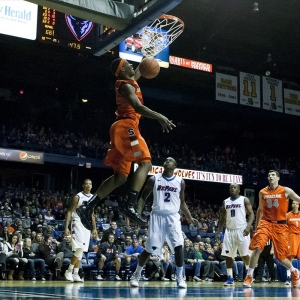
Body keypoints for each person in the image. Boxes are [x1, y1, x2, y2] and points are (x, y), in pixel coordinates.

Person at [76, 58, 176, 229]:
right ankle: (130, 204)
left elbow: (139, 72)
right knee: (146, 163)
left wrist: (146, 57)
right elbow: (138, 107)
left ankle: (89, 206)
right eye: (128, 64)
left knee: (121, 177)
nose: (132, 66)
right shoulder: (126, 86)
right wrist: (160, 116)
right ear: (122, 70)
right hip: (127, 128)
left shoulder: (130, 82)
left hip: (122, 128)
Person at [130, 157, 198, 289]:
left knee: (178, 246)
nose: (167, 161)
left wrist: (190, 217)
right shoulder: (153, 179)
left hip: (173, 217)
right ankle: (136, 274)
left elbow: (182, 203)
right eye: (166, 160)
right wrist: (137, 212)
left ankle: (180, 277)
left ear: (175, 166)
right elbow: (143, 197)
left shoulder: (180, 182)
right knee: (150, 248)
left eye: (170, 160)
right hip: (157, 216)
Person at [243, 170, 300, 288]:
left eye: (273, 175)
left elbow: (299, 199)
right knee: (257, 248)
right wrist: (258, 225)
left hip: (280, 225)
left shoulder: (286, 190)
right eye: (269, 175)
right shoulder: (262, 192)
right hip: (266, 223)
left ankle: (294, 271)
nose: (270, 177)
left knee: (280, 257)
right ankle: (249, 276)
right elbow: (260, 210)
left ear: (278, 178)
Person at [216, 183, 255, 286]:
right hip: (229, 230)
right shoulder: (225, 202)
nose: (233, 189)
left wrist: (248, 226)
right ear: (229, 190)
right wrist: (219, 231)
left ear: (238, 190)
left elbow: (251, 214)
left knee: (245, 255)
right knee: (229, 256)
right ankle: (230, 278)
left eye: (235, 187)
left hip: (242, 230)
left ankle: (249, 275)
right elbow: (222, 218)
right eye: (231, 187)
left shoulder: (244, 199)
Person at [64, 179, 97, 282]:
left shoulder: (93, 198)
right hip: (77, 222)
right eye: (86, 183)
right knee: (79, 247)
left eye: (90, 184)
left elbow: (92, 214)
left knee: (81, 249)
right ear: (83, 185)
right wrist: (66, 227)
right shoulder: (77, 197)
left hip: (86, 224)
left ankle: (75, 274)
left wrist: (94, 228)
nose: (88, 185)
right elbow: (69, 212)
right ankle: (69, 271)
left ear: (92, 186)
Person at [286, 200, 300, 284]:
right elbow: (283, 227)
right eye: (293, 203)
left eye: (296, 203)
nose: (295, 204)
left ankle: (297, 276)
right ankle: (288, 277)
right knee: (290, 257)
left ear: (298, 205)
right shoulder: (287, 215)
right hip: (291, 237)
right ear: (291, 205)